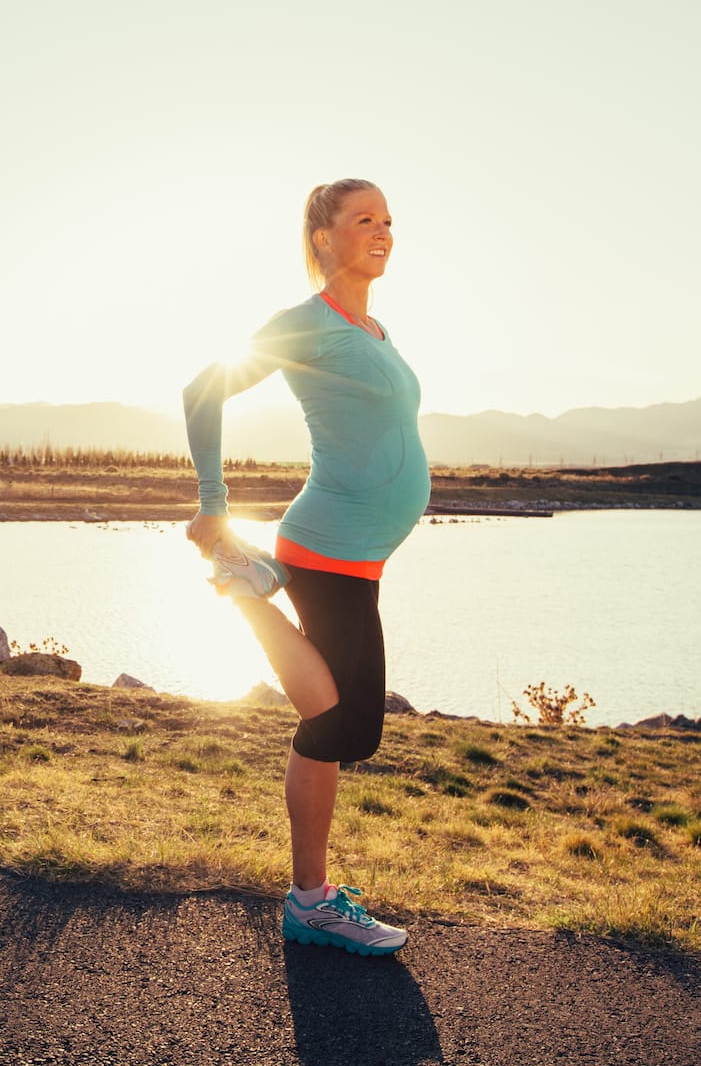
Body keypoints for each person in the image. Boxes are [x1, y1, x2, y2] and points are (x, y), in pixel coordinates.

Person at [182, 178, 431, 957]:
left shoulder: (375, 328)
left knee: (341, 729)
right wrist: (215, 502)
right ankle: (244, 588)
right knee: (339, 721)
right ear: (324, 238)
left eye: (388, 220)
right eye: (365, 220)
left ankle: (312, 899)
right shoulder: (310, 323)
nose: (382, 231)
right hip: (326, 542)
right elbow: (202, 390)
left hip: (356, 555)